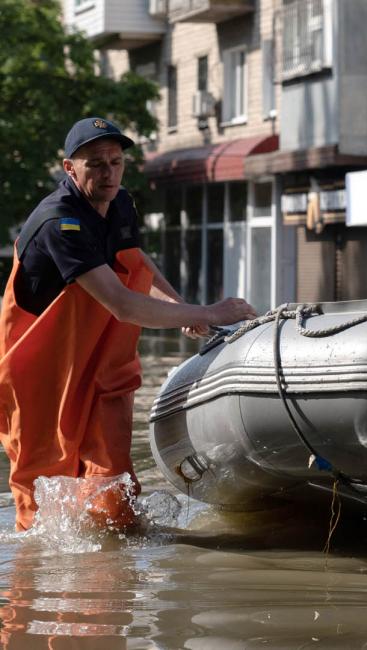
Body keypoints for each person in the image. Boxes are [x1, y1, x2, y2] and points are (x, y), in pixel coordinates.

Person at [0, 117, 257, 532]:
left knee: (113, 489)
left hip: (101, 359)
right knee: (43, 493)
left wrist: (180, 309)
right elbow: (121, 303)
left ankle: (110, 578)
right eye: (96, 164)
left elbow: (134, 263)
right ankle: (35, 587)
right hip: (41, 372)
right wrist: (208, 312)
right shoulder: (59, 222)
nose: (108, 173)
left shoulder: (120, 202)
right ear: (70, 169)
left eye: (116, 161)